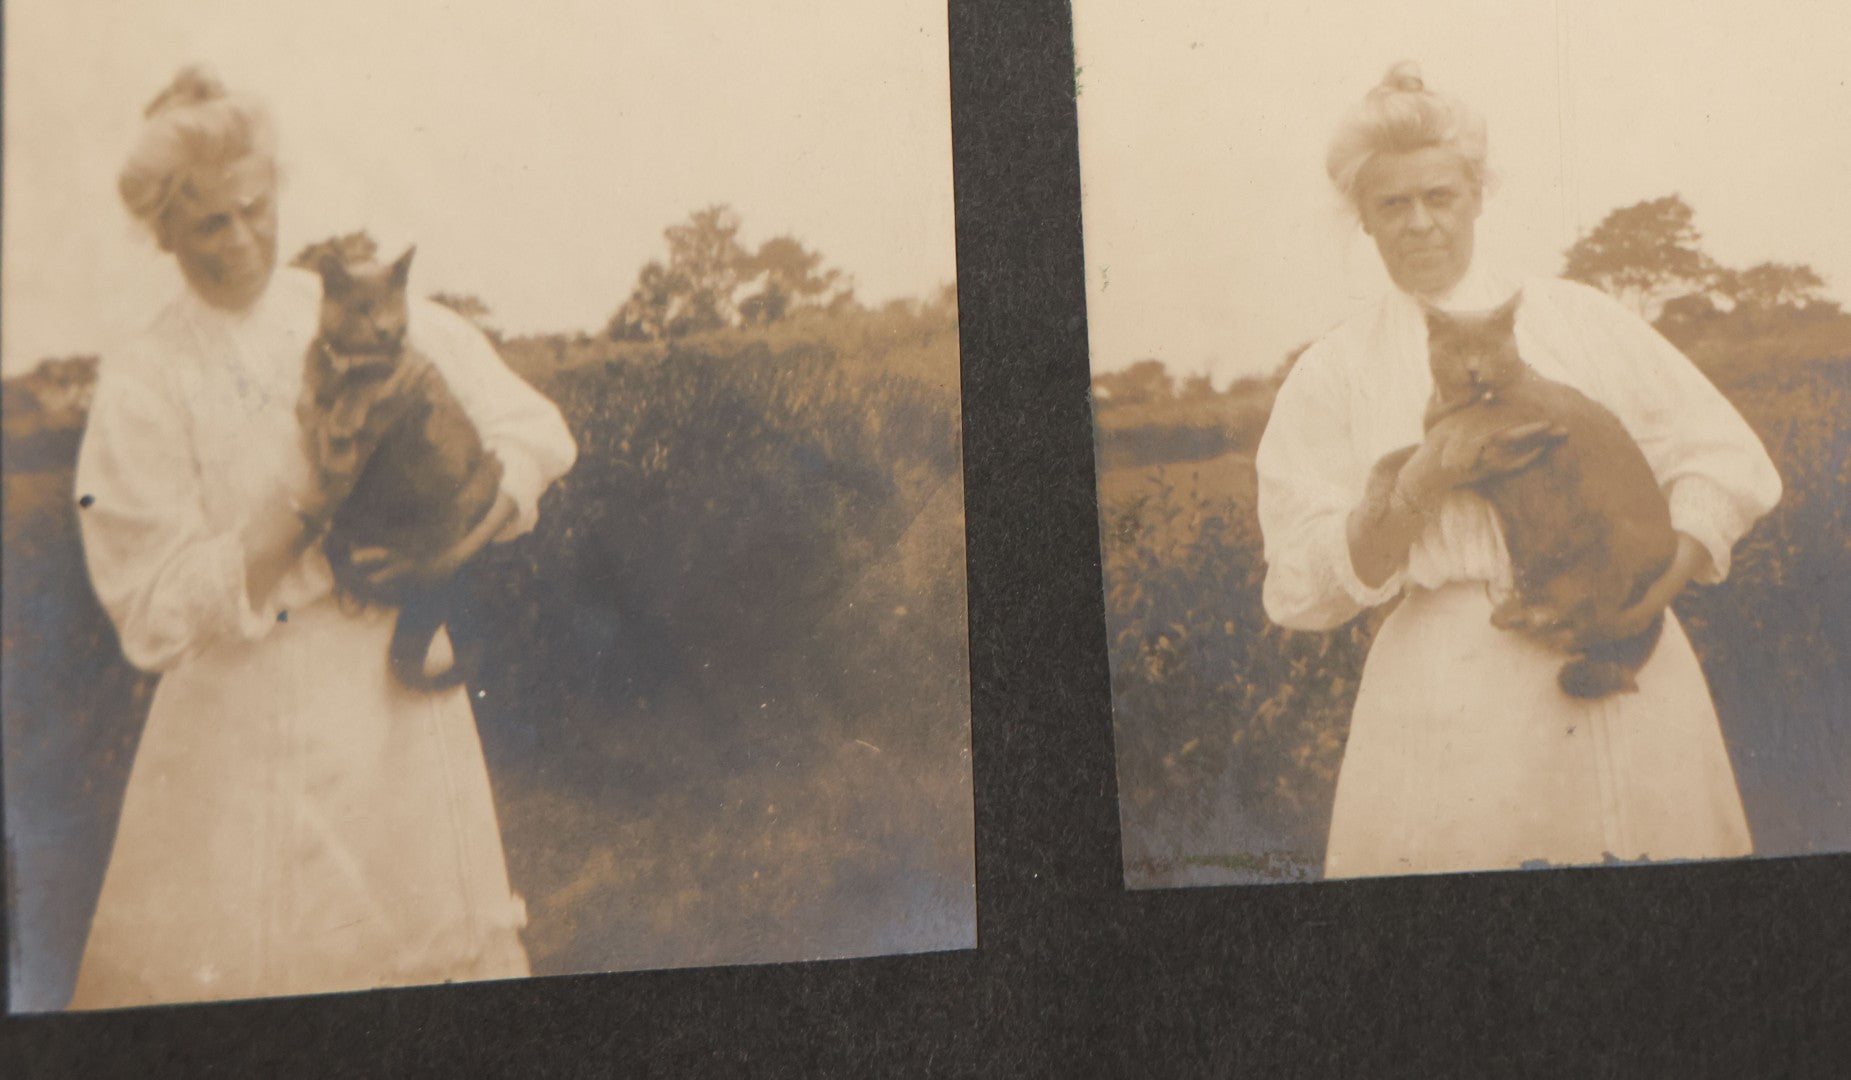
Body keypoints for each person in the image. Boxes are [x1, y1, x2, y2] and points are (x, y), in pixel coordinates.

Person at [67, 66, 578, 1008]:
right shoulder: (145, 378)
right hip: (233, 734)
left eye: (254, 208)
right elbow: (152, 610)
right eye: (208, 222)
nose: (242, 240)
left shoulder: (346, 307)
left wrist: (455, 545)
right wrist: (303, 502)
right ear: (162, 230)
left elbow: (534, 432)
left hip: (391, 708)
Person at [1254, 63, 1782, 880]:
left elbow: (1721, 456)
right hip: (1452, 699)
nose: (1420, 223)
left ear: (1476, 196)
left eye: (1440, 196)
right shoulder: (1333, 371)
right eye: (1392, 203)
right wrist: (1419, 485)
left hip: (1629, 650)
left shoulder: (1578, 319)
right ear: (1360, 217)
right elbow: (1299, 581)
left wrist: (1658, 585)